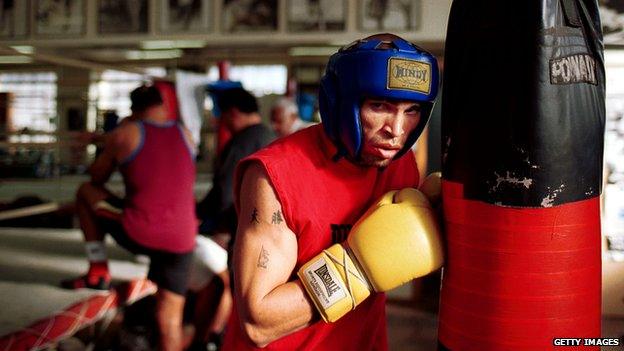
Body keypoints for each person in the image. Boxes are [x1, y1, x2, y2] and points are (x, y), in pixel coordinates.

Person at [221, 33, 443, 350]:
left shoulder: (401, 166)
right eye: (379, 106)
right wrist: (359, 269)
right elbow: (258, 321)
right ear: (341, 104)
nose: (396, 130)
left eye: (411, 111)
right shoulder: (275, 175)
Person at [62, 85, 197, 351]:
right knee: (170, 321)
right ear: (164, 106)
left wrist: (105, 141)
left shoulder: (125, 133)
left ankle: (97, 271)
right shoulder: (186, 134)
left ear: (133, 110)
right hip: (183, 240)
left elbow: (97, 177)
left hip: (141, 231)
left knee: (85, 192)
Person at [193, 87, 275, 349]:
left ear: (234, 113)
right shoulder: (270, 137)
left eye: (223, 116)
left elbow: (224, 193)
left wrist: (201, 217)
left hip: (243, 230)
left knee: (236, 290)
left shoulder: (241, 142)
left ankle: (221, 339)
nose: (222, 122)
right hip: (272, 233)